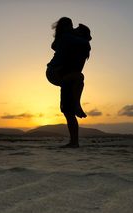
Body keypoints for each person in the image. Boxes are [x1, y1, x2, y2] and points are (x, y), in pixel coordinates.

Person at [46, 17, 92, 148]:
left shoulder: (78, 44)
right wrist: (77, 35)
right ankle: (77, 104)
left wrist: (83, 37)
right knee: (79, 77)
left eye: (75, 28)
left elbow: (85, 41)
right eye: (71, 26)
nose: (73, 29)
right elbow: (54, 45)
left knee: (68, 111)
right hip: (55, 72)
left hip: (66, 77)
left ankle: (74, 142)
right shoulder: (67, 38)